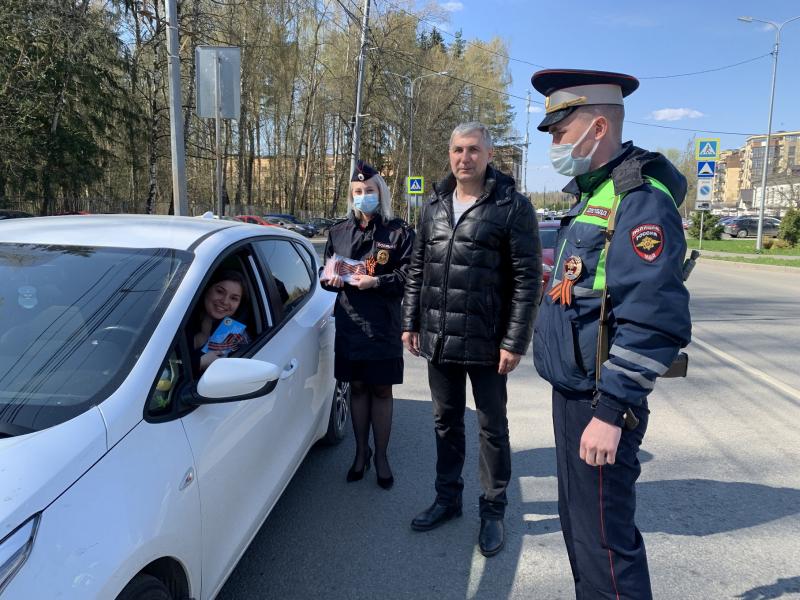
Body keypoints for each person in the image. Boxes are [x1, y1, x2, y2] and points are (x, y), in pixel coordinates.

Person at [530, 69, 692, 599]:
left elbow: (653, 319)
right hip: (574, 392)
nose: (554, 144)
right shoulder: (591, 195)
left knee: (606, 546)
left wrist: (610, 411)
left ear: (597, 127)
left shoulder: (639, 200)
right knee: (581, 532)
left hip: (601, 402)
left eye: (559, 132)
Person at [401, 122, 541, 557]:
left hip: (486, 341)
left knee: (491, 428)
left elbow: (527, 280)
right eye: (458, 150)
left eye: (474, 150)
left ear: (488, 156)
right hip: (439, 340)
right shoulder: (434, 206)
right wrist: (410, 321)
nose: (465, 158)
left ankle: (493, 511)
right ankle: (447, 500)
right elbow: (417, 270)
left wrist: (514, 342)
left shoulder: (511, 207)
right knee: (445, 422)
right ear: (450, 155)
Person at [320, 160, 414, 489]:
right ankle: (361, 452)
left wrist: (376, 282)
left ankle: (382, 457)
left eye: (369, 190)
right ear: (351, 195)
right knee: (357, 389)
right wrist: (329, 279)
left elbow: (409, 278)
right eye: (358, 191)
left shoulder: (398, 232)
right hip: (349, 323)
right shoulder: (338, 232)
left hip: (383, 324)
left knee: (381, 391)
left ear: (381, 193)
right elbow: (327, 271)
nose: (363, 196)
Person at [188, 270, 249, 374]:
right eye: (220, 291)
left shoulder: (238, 337)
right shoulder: (180, 320)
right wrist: (199, 363)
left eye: (234, 298)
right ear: (207, 288)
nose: (225, 301)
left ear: (239, 304)